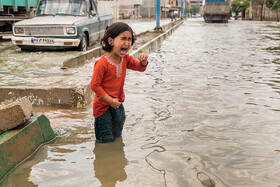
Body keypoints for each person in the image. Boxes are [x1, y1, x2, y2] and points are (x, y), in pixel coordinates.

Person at [90, 22, 148, 143]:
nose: (127, 43)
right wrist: (110, 101)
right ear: (110, 41)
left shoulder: (125, 59)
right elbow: (94, 85)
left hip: (117, 105)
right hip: (103, 108)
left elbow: (140, 68)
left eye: (129, 39)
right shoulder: (102, 63)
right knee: (105, 140)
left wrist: (143, 62)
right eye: (123, 39)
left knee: (117, 136)